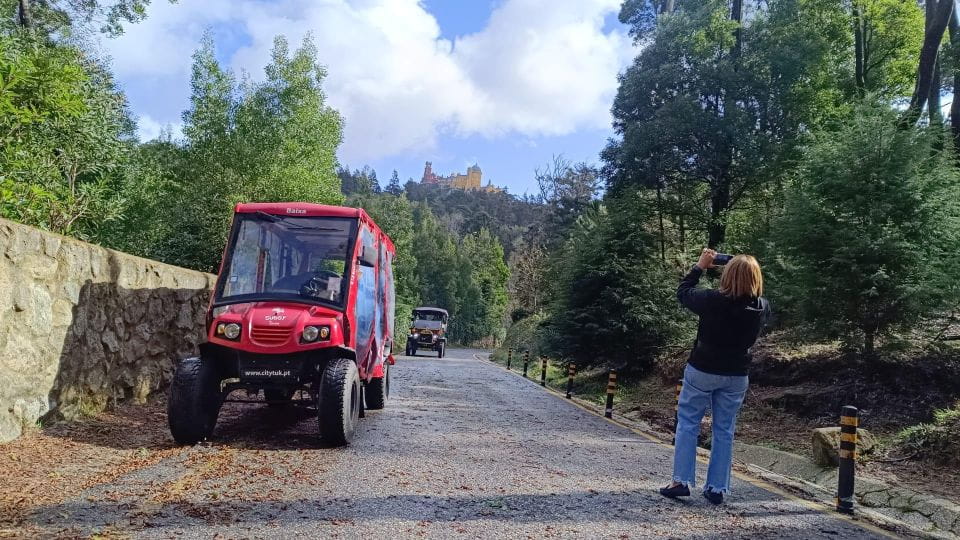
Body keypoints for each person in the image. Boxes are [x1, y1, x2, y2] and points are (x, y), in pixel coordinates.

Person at [660, 248, 771, 505]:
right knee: (724, 429)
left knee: (688, 423)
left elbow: (683, 292)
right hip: (736, 375)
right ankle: (717, 488)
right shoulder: (761, 307)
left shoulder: (711, 300)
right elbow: (748, 291)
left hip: (703, 369)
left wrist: (700, 266)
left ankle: (681, 481)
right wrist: (743, 266)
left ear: (727, 274)